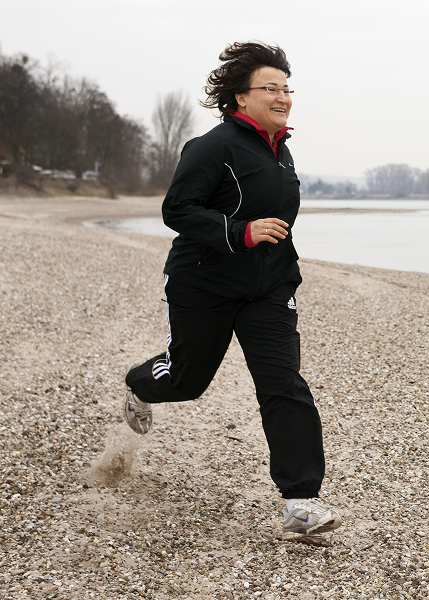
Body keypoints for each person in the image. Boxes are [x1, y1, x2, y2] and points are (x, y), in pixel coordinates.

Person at [123, 41, 341, 543]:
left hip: (268, 288)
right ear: (241, 98)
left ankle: (301, 503)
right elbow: (177, 209)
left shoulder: (280, 150)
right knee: (187, 380)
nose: (283, 96)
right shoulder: (213, 146)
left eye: (287, 88)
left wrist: (277, 263)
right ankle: (139, 383)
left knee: (283, 384)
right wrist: (240, 232)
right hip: (205, 282)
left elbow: (276, 221)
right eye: (271, 87)